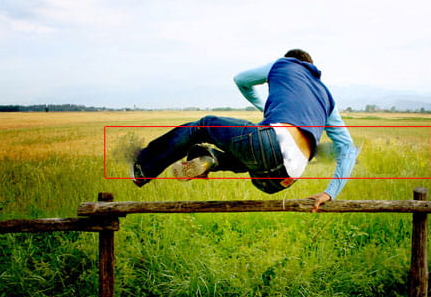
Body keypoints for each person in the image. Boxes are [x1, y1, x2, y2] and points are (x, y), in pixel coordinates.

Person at [131, 49, 358, 211]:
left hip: (272, 143)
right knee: (253, 150)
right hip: (283, 179)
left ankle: (143, 168)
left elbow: (241, 80)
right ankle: (213, 160)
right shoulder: (327, 98)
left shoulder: (285, 64)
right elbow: (348, 148)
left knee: (204, 125)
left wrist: (264, 107)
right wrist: (330, 192)